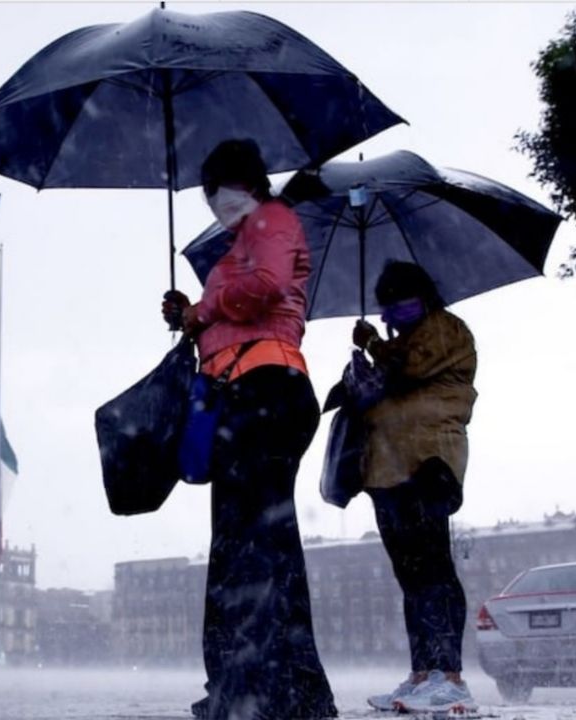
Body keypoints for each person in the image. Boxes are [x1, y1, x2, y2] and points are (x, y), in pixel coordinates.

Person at [162, 139, 336, 720]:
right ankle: (280, 687)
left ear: (241, 183)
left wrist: (204, 310)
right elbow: (233, 307)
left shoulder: (272, 219)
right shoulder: (245, 235)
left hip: (266, 391)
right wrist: (189, 315)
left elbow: (265, 286)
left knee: (248, 547)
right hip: (245, 393)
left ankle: (253, 688)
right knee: (259, 544)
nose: (212, 201)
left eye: (216, 189)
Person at [353, 262, 479, 714]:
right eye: (388, 306)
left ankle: (450, 677)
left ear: (423, 297)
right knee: (411, 576)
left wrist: (371, 344)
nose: (392, 313)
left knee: (433, 570)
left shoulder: (445, 329)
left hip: (429, 462)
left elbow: (410, 370)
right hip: (387, 469)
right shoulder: (397, 342)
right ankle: (423, 674)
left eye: (399, 303)